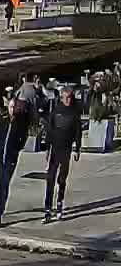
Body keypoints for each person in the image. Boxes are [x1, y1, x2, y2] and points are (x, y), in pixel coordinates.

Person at [0, 75, 43, 227]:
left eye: (14, 107)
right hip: (0, 156)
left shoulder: (20, 123)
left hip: (10, 158)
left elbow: (23, 138)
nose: (12, 109)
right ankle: (0, 200)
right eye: (10, 107)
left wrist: (16, 150)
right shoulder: (3, 120)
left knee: (4, 184)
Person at [41, 84, 84, 222]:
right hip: (54, 149)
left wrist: (77, 148)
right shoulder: (56, 111)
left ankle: (59, 204)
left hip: (66, 149)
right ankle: (47, 209)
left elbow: (78, 132)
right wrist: (47, 148)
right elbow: (49, 129)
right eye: (66, 98)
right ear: (61, 98)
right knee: (50, 179)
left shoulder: (74, 112)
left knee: (62, 179)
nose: (68, 100)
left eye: (70, 98)